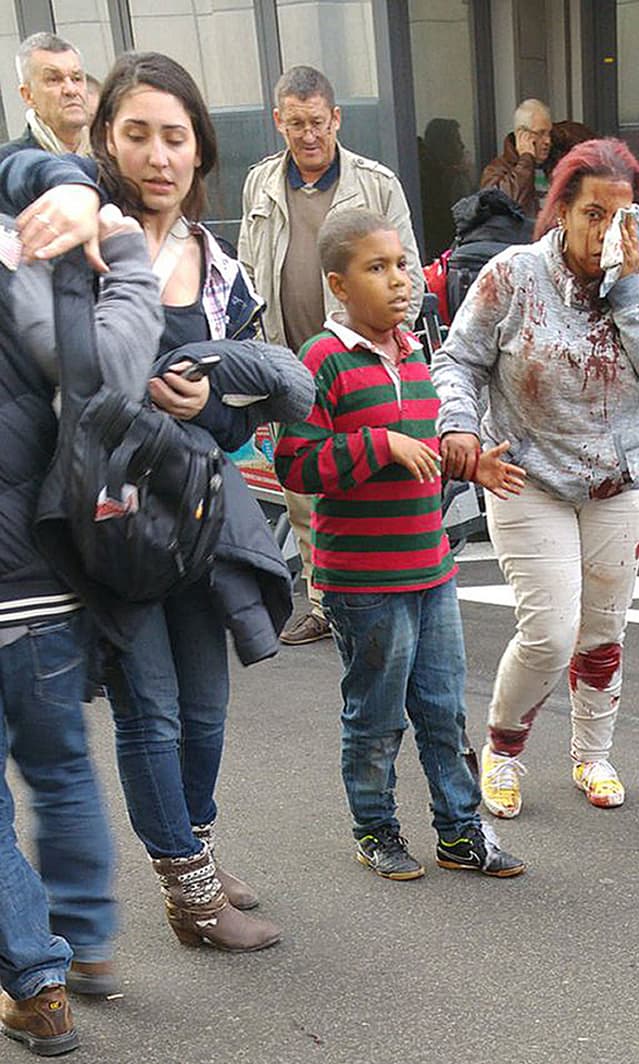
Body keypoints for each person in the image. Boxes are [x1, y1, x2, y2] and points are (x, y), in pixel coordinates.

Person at [434, 139, 639, 819]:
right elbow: (458, 359)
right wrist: (458, 426)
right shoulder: (514, 275)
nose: (606, 231)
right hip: (528, 479)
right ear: (561, 213)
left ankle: (592, 755)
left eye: (623, 217)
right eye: (592, 214)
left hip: (619, 484)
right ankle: (502, 749)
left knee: (603, 634)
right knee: (551, 633)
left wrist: (633, 289)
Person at [92, 50, 289, 953]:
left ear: (200, 152)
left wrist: (202, 405)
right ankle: (188, 890)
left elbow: (241, 422)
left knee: (206, 708)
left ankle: (197, 850)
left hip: (198, 517)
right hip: (113, 524)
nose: (158, 156)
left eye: (176, 137)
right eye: (138, 134)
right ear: (106, 142)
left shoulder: (222, 272)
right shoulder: (76, 253)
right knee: (153, 711)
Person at [274, 208, 526, 881]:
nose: (399, 281)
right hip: (364, 579)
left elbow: (424, 450)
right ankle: (375, 830)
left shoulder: (416, 355)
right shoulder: (321, 361)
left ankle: (460, 832)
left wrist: (465, 463)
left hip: (429, 567)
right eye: (376, 268)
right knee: (377, 717)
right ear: (339, 284)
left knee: (444, 711)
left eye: (402, 266)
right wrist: (378, 445)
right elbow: (296, 465)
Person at [0, 155, 156, 1051]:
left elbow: (33, 161)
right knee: (61, 770)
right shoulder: (22, 257)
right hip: (36, 583)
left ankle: (36, 978)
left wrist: (68, 178)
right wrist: (123, 246)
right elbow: (100, 370)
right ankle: (85, 946)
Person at [240, 65, 423, 647]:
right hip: (290, 360)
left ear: (336, 118)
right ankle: (324, 599)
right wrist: (258, 365)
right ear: (279, 122)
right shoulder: (260, 185)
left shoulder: (375, 183)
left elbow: (410, 274)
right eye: (295, 124)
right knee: (301, 486)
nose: (308, 135)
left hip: (362, 356)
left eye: (317, 122)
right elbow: (247, 276)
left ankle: (384, 589)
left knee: (366, 474)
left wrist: (392, 348)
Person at [0, 33, 90, 161]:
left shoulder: (111, 155)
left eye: (76, 78)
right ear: (28, 95)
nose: (71, 90)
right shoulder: (9, 164)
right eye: (54, 80)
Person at [418, 117, 473, 259]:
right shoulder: (430, 179)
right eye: (457, 140)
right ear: (444, 145)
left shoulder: (446, 174)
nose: (462, 146)